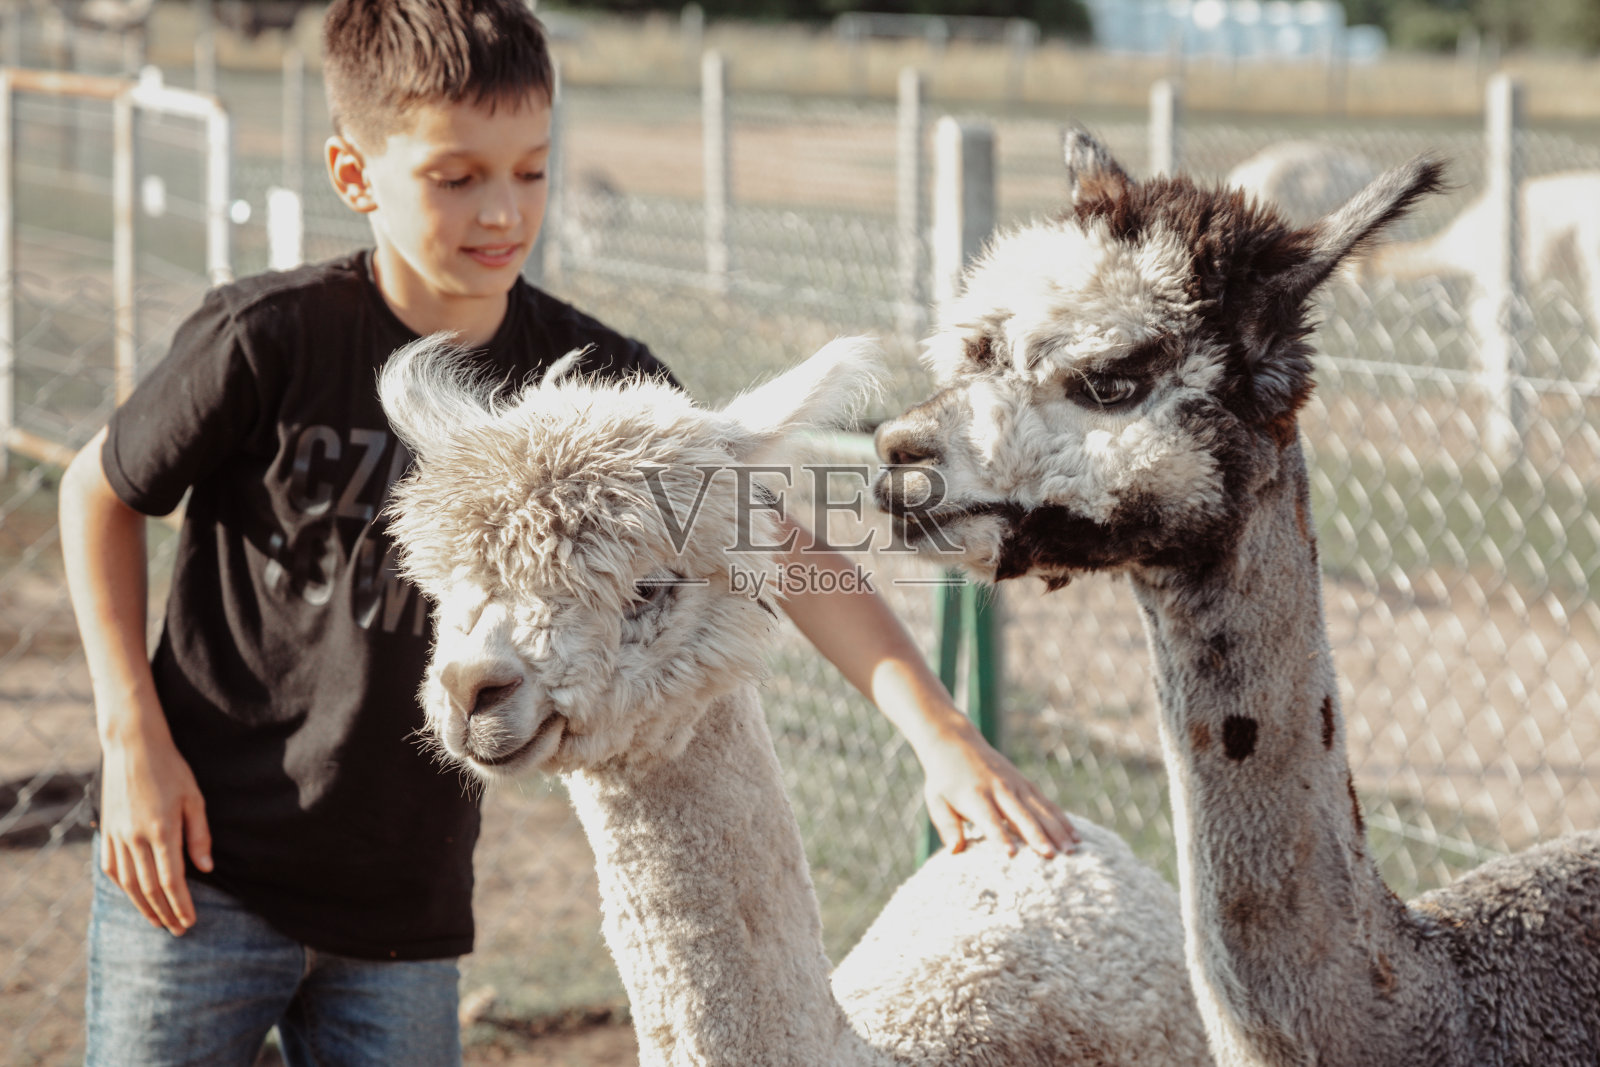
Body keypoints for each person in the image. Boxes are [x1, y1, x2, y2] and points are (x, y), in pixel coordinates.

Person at [58, 2, 1075, 1064]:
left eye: (531, 171)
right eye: (456, 177)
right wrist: (132, 742)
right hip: (198, 860)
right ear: (355, 175)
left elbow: (778, 542)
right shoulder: (268, 339)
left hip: (403, 909)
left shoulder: (598, 387)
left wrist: (938, 732)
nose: (502, 210)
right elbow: (99, 492)